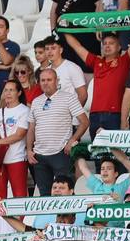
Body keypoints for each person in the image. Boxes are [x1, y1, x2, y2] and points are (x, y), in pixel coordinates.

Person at [26, 67, 89, 196]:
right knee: (44, 196)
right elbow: (31, 128)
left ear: (56, 81)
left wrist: (72, 140)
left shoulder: (69, 98)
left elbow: (84, 122)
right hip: (39, 155)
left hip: (61, 153)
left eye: (49, 80)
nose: (45, 83)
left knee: (66, 193)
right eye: (43, 80)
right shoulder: (36, 101)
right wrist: (29, 150)